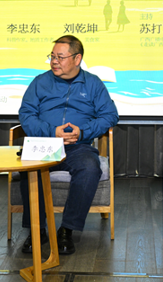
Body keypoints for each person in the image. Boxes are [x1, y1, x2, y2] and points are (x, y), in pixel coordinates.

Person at [18, 35, 119, 255]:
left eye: (60, 57)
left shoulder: (93, 84)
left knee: (90, 167)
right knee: (29, 169)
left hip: (78, 146)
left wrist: (83, 132)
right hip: (44, 144)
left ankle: (67, 230)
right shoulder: (40, 82)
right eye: (52, 56)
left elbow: (110, 115)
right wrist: (51, 132)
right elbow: (26, 114)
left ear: (77, 59)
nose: (54, 61)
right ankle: (37, 230)